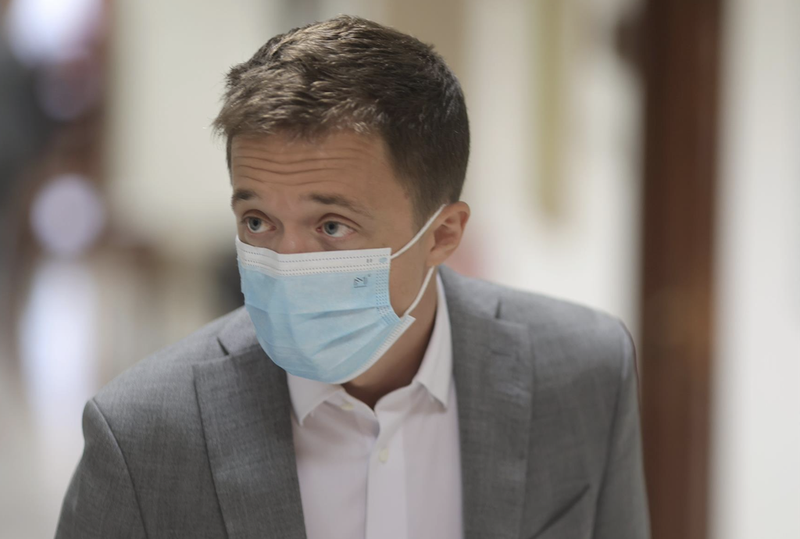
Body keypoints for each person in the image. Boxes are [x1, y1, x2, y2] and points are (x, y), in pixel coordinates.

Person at [56, 15, 649, 539]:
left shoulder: (585, 374)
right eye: (257, 220)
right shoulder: (143, 434)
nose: (286, 260)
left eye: (332, 226)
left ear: (443, 235)